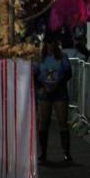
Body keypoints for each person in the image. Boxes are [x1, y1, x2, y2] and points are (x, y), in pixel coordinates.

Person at [34, 35, 73, 163]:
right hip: (44, 92)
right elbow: (34, 74)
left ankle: (66, 152)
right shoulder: (39, 58)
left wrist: (57, 84)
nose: (50, 45)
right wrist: (41, 87)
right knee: (44, 123)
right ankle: (43, 153)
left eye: (52, 42)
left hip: (59, 92)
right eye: (47, 42)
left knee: (62, 122)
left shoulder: (62, 56)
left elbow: (68, 73)